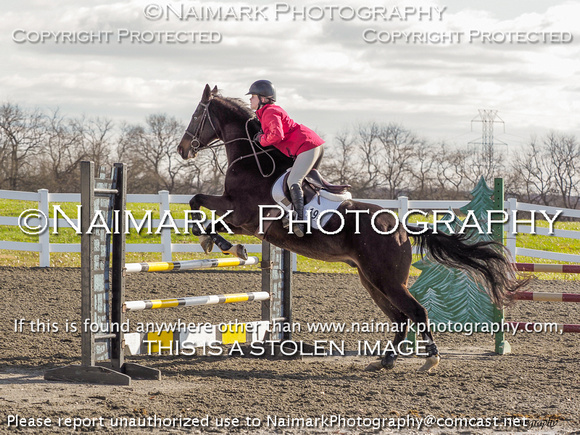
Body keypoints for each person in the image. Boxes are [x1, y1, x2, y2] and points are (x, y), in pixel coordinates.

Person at [247, 79, 324, 237]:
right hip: (308, 145)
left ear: (263, 98)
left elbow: (276, 135)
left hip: (307, 145)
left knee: (293, 181)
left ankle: (300, 222)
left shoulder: (269, 111)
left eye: (253, 96)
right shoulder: (266, 112)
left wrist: (261, 139)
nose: (250, 99)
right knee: (295, 180)